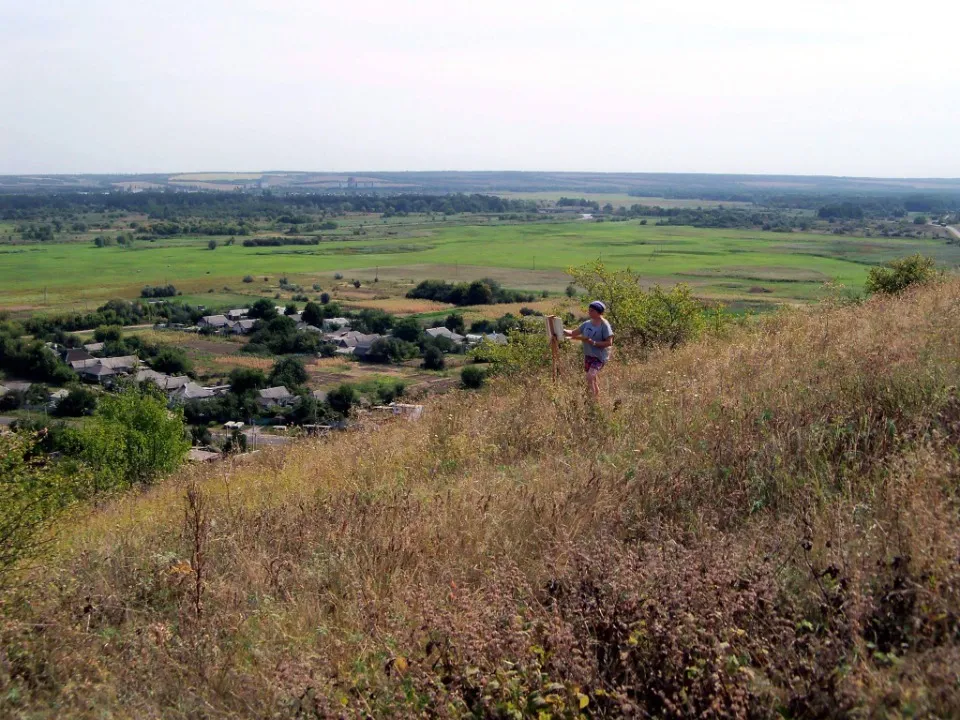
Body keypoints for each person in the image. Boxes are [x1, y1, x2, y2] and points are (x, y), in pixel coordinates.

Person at [565, 300, 614, 398]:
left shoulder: (604, 325)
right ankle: (595, 401)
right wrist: (561, 330)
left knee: (589, 376)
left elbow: (609, 342)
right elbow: (573, 333)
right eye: (589, 310)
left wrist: (594, 343)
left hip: (599, 357)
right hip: (588, 355)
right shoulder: (586, 324)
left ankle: (591, 400)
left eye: (592, 311)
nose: (589, 312)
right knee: (593, 379)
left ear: (598, 312)